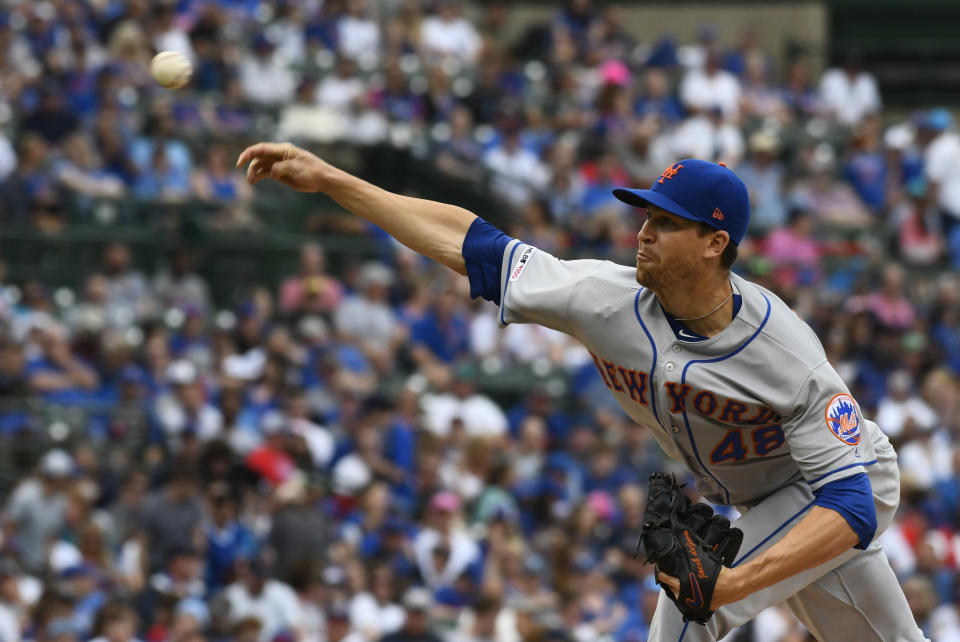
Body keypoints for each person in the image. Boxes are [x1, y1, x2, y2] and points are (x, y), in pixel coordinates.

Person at [235, 143, 925, 640]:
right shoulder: (603, 298)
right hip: (753, 495)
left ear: (715, 243)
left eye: (664, 224)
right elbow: (471, 244)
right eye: (644, 217)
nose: (642, 233)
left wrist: (731, 584)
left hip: (838, 483)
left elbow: (853, 505)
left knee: (692, 608)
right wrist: (333, 180)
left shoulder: (785, 352)